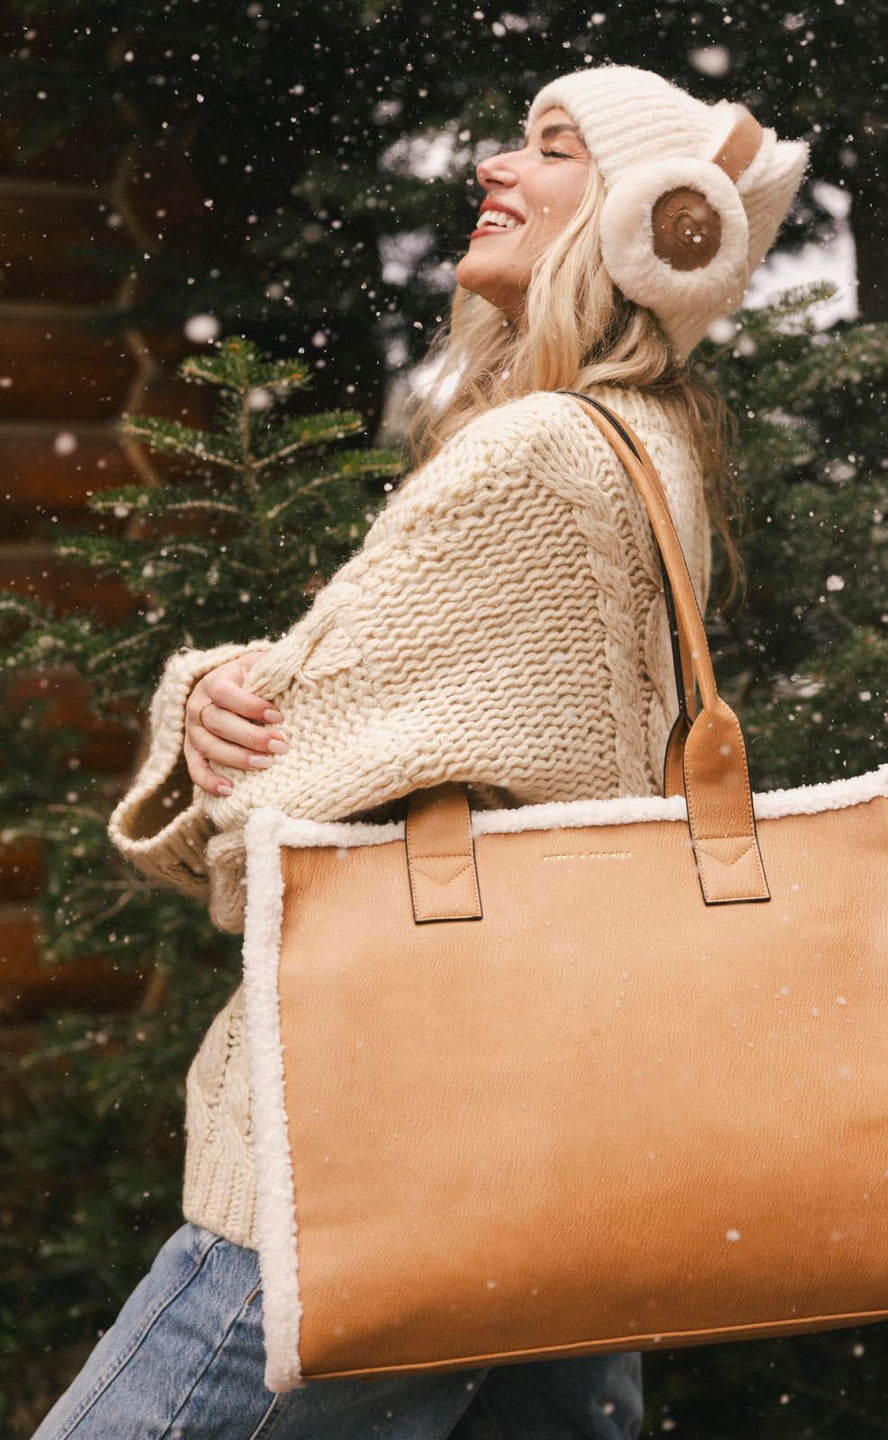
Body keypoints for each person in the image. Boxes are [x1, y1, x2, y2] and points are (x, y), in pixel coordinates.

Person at [31, 63, 808, 1440]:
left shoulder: (539, 455)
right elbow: (426, 717)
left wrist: (200, 705)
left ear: (653, 222)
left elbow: (276, 783)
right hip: (554, 1176)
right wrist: (236, 696)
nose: (497, 171)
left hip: (374, 1163)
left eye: (552, 149)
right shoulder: (647, 445)